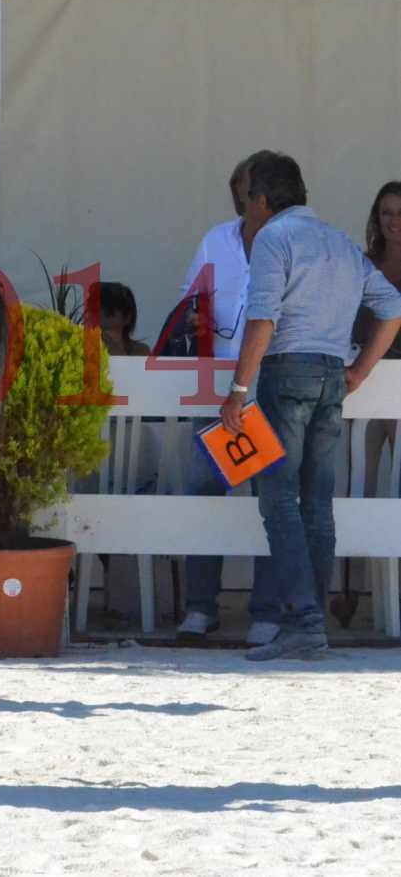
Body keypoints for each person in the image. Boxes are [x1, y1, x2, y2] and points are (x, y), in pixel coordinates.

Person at [221, 152, 401, 660]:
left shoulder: (275, 239)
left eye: (246, 202)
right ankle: (313, 620)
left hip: (287, 372)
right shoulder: (341, 242)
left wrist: (237, 391)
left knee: (278, 500)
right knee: (317, 504)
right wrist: (360, 371)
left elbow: (262, 321)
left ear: (261, 200)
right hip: (330, 376)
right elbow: (391, 308)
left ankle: (301, 620)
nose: (244, 213)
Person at [175, 152, 283, 643]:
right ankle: (201, 607)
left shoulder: (289, 241)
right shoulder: (215, 240)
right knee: (203, 496)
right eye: (241, 187)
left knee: (273, 502)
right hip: (216, 392)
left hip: (272, 386)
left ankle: (267, 611)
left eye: (253, 188)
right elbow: (187, 303)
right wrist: (193, 318)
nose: (246, 197)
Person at [351, 182, 401, 498]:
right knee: (359, 482)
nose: (393, 221)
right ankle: (354, 550)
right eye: (386, 212)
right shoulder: (362, 264)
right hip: (365, 379)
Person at [91, 282, 150, 356]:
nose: (101, 312)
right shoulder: (82, 346)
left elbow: (129, 365)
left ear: (127, 317)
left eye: (109, 307)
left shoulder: (140, 350)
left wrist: (111, 344)